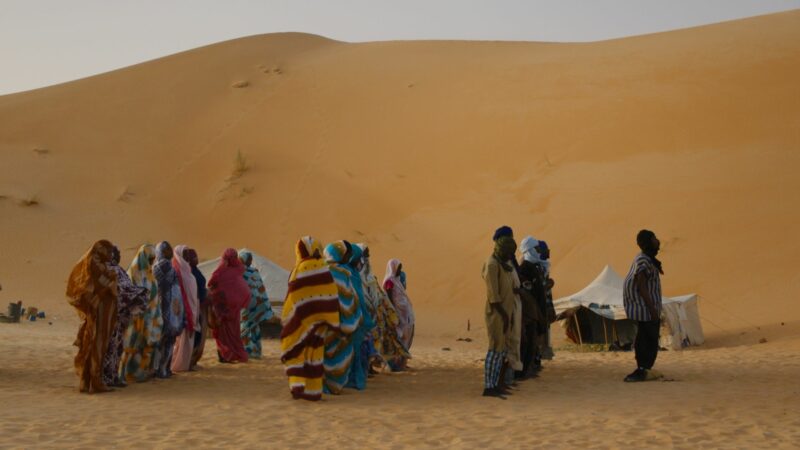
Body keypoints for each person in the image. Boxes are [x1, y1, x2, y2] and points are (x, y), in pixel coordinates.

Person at [280, 236, 341, 401]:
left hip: (302, 322)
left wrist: (289, 320)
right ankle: (313, 392)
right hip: (321, 323)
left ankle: (299, 388)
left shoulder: (300, 269)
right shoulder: (323, 267)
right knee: (315, 357)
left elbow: (293, 296)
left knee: (297, 352)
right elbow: (331, 293)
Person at [66, 240, 118, 393]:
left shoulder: (100, 266)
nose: (111, 255)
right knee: (95, 345)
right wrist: (111, 280)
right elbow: (101, 286)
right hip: (97, 314)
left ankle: (89, 381)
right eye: (108, 252)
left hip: (102, 314)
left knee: (96, 345)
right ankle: (93, 381)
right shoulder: (94, 266)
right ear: (101, 251)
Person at [357, 244, 409, 372]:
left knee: (373, 342)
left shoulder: (370, 277)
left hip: (375, 317)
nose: (368, 257)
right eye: (366, 254)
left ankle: (369, 366)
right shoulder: (356, 276)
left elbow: (379, 295)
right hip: (362, 316)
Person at [102, 246, 148, 387]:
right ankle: (107, 378)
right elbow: (120, 291)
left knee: (117, 347)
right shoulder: (108, 271)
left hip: (120, 318)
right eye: (117, 253)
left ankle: (114, 376)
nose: (120, 256)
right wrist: (136, 294)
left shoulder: (118, 270)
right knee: (109, 348)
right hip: (110, 318)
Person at [481, 235, 520, 398]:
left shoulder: (503, 265)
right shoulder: (492, 265)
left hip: (506, 313)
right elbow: (493, 296)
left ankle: (496, 383)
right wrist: (504, 316)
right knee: (494, 350)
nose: (511, 256)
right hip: (497, 314)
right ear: (502, 250)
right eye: (509, 252)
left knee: (502, 351)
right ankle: (488, 387)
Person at [623, 229, 664, 382]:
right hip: (645, 309)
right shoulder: (643, 260)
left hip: (646, 308)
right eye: (654, 238)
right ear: (648, 242)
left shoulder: (646, 259)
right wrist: (652, 308)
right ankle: (642, 368)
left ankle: (645, 368)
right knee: (647, 338)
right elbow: (641, 285)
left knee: (649, 337)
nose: (657, 241)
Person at [322, 240, 362, 394]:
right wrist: (351, 318)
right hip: (336, 324)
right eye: (345, 254)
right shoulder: (337, 274)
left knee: (329, 354)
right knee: (335, 355)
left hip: (328, 323)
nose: (348, 257)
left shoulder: (326, 271)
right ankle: (332, 386)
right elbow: (345, 298)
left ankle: (328, 385)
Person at [120, 244, 163, 383]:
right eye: (150, 258)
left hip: (149, 318)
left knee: (143, 345)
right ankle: (124, 373)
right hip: (135, 318)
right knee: (130, 345)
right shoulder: (134, 272)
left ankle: (138, 372)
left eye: (153, 258)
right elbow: (132, 294)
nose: (152, 261)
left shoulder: (149, 273)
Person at [208, 248, 251, 363]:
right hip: (234, 309)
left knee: (222, 332)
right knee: (234, 333)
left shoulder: (220, 272)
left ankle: (223, 355)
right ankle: (231, 354)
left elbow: (211, 283)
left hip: (221, 308)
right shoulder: (238, 270)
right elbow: (244, 290)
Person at [344, 244, 375, 390]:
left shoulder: (357, 274)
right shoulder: (345, 274)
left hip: (360, 320)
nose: (364, 260)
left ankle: (357, 376)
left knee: (360, 350)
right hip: (346, 321)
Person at [517, 236, 548, 379]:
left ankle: (527, 370)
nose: (538, 251)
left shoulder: (533, 267)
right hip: (529, 314)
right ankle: (521, 372)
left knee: (533, 343)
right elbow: (527, 294)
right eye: (536, 249)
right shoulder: (524, 268)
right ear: (528, 250)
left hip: (536, 312)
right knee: (527, 343)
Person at [153, 241, 185, 379]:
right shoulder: (170, 267)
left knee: (161, 339)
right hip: (171, 308)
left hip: (161, 307)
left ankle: (160, 369)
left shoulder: (158, 267)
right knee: (169, 340)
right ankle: (165, 369)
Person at [239, 250, 274, 359]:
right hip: (259, 304)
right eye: (249, 259)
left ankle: (248, 351)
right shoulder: (255, 271)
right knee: (254, 326)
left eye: (250, 259)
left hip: (248, 304)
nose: (251, 261)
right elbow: (261, 288)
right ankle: (257, 351)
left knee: (244, 327)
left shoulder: (239, 272)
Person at [171, 245, 200, 373]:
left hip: (193, 308)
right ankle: (177, 365)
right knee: (180, 340)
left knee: (189, 340)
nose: (188, 257)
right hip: (182, 310)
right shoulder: (176, 271)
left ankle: (185, 364)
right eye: (185, 254)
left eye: (189, 254)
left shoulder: (187, 270)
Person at [383, 259, 415, 371]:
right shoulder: (389, 281)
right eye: (398, 268)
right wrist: (393, 311)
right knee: (398, 337)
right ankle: (394, 365)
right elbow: (389, 298)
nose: (399, 270)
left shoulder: (397, 280)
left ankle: (402, 363)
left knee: (406, 337)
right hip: (396, 314)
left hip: (404, 315)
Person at [186, 248, 208, 369]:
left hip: (199, 306)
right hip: (193, 307)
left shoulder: (195, 271)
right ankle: (189, 361)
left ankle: (193, 361)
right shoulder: (188, 272)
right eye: (193, 257)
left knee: (198, 335)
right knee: (194, 335)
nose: (196, 259)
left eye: (196, 256)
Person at [536, 240, 556, 360]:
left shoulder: (543, 267)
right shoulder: (534, 267)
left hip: (545, 306)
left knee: (545, 332)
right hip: (538, 308)